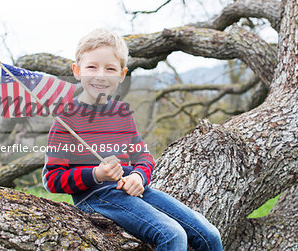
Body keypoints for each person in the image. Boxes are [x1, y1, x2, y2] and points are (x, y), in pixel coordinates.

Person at [42, 28, 223, 250]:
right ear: (77, 71)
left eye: (110, 68)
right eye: (92, 67)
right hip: (97, 197)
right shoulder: (67, 120)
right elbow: (52, 179)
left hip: (132, 190)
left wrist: (138, 175)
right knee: (173, 235)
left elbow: (143, 156)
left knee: (209, 235)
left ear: (121, 75)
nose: (101, 75)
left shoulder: (122, 113)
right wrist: (96, 174)